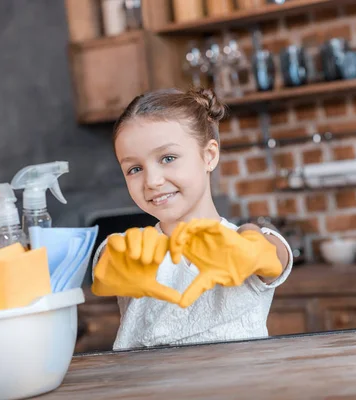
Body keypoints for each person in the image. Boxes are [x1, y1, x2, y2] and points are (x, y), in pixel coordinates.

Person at [91, 87, 293, 350]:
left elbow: (276, 257)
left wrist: (253, 239)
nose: (152, 181)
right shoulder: (130, 249)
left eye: (168, 158)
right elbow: (107, 264)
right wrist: (114, 263)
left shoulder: (241, 245)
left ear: (209, 156)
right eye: (135, 169)